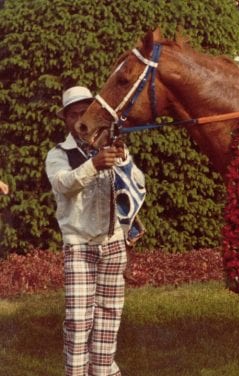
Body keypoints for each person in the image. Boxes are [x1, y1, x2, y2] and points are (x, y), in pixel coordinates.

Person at [45, 86, 144, 376]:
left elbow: (138, 186)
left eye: (83, 112)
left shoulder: (110, 148)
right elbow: (64, 184)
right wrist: (93, 165)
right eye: (73, 114)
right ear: (65, 119)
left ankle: (102, 371)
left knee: (109, 315)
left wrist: (125, 161)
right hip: (79, 245)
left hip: (113, 243)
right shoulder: (58, 154)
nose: (79, 119)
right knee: (78, 319)